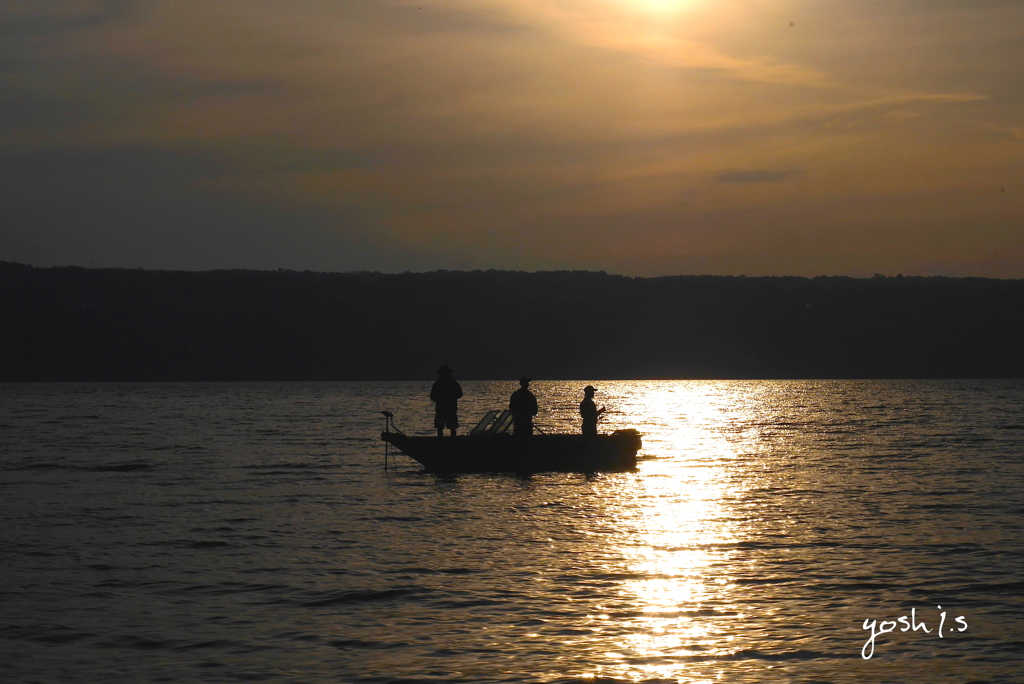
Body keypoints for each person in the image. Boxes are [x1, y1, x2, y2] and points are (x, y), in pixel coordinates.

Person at [430, 365, 463, 437]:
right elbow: (460, 394)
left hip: (442, 408)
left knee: (441, 427)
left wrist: (440, 400)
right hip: (450, 408)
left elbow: (432, 396)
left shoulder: (438, 384)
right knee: (451, 427)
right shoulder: (453, 383)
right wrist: (451, 398)